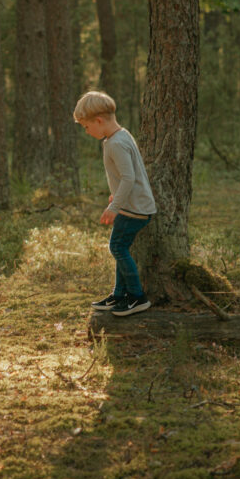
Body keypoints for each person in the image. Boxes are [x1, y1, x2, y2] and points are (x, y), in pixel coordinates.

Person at [74, 91, 157, 317]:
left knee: (117, 248)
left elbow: (129, 177)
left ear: (98, 121)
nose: (86, 131)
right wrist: (116, 197)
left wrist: (113, 207)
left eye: (86, 126)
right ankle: (119, 295)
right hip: (133, 205)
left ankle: (137, 297)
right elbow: (126, 177)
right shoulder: (120, 136)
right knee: (120, 247)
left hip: (135, 209)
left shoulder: (115, 144)